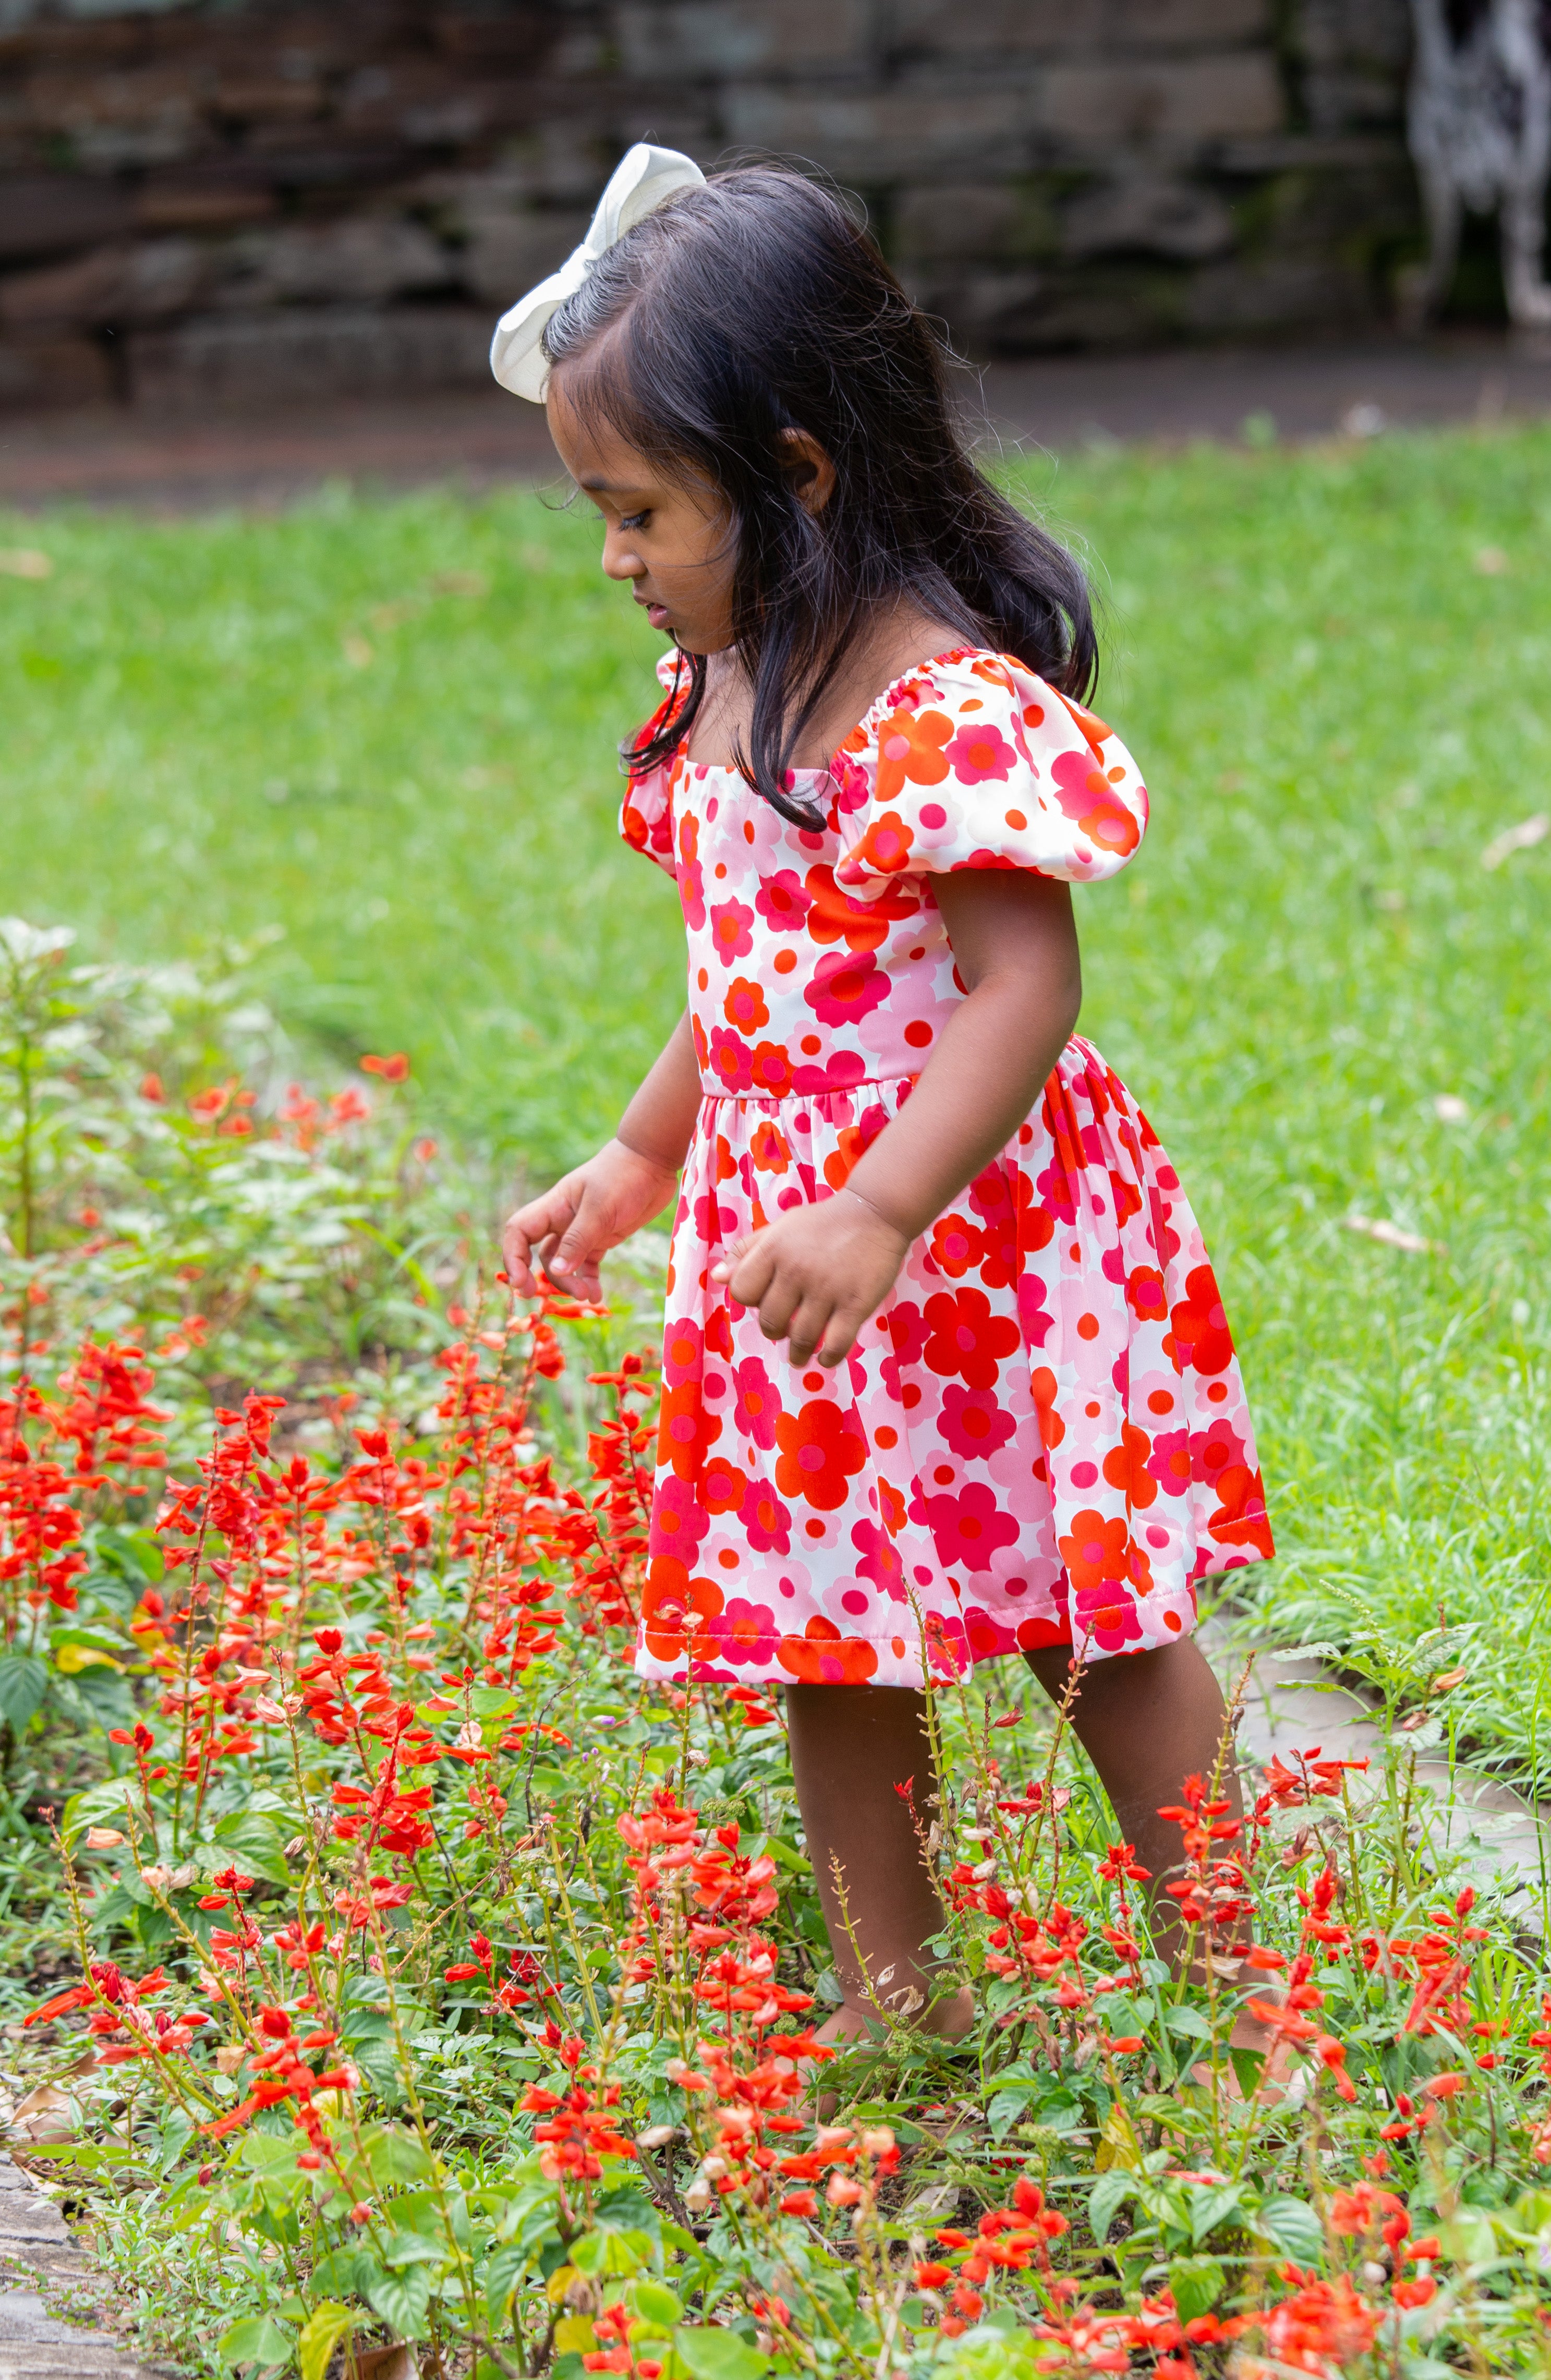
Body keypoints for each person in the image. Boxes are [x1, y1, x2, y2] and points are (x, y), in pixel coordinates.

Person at [495, 149, 1274, 2059]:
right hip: (802, 1252)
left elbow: (1027, 986)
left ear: (799, 473)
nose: (615, 557)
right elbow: (740, 975)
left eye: (639, 511)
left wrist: (884, 1206)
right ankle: (895, 2008)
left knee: (1089, 1622)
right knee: (823, 1641)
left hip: (970, 1236)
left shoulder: (938, 712)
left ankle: (1255, 1996)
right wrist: (641, 1151)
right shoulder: (724, 676)